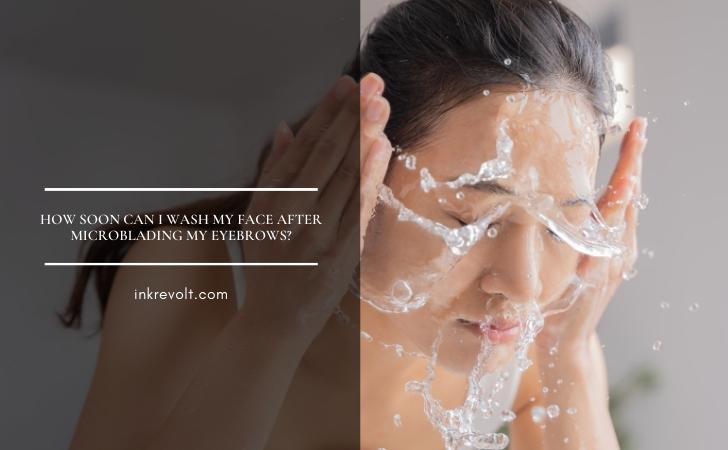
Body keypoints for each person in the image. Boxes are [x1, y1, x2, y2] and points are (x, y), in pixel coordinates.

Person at [63, 1, 647, 449]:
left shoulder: (544, 329)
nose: (523, 285)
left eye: (558, 225)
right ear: (356, 171)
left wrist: (567, 353)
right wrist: (273, 324)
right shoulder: (189, 273)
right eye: (469, 217)